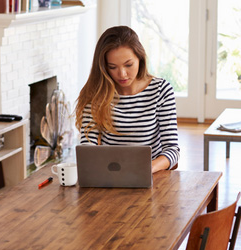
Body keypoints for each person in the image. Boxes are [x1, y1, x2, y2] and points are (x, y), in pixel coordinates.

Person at [75, 25, 180, 174]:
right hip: (110, 176)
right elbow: (88, 147)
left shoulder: (161, 90)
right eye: (112, 67)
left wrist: (147, 168)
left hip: (151, 177)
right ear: (104, 67)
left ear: (140, 58)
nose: (122, 74)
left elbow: (172, 150)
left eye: (128, 65)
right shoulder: (96, 94)